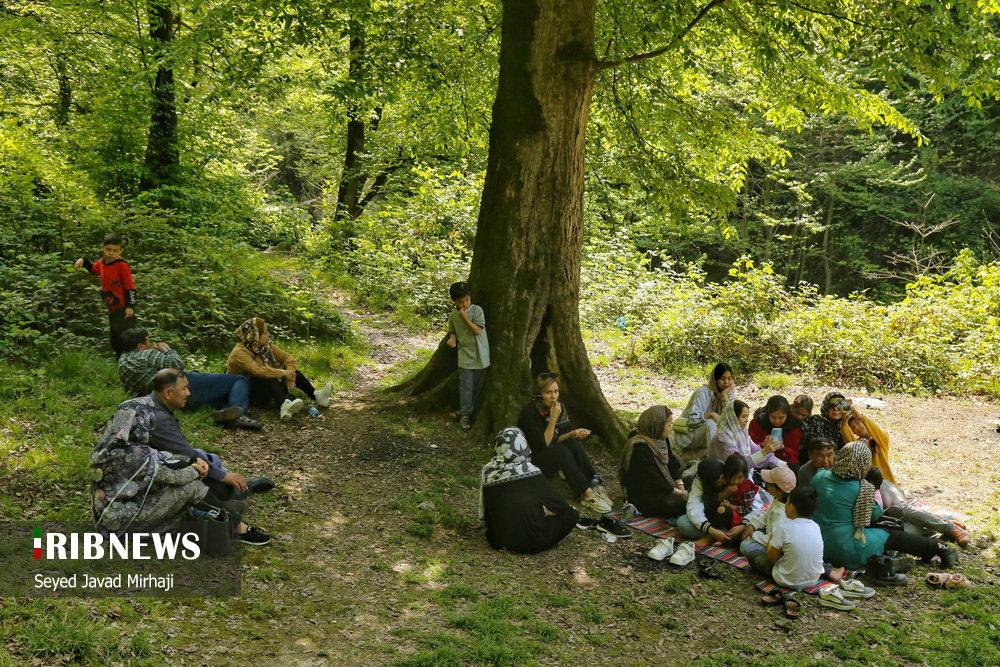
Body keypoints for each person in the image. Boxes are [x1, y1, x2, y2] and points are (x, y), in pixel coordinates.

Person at [90, 394, 270, 545]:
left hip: (110, 518)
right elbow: (172, 477)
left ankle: (214, 516)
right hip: (124, 527)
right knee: (192, 488)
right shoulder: (134, 455)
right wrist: (196, 470)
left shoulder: (107, 448)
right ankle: (237, 528)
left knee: (183, 497)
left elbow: (159, 457)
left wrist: (190, 460)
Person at [809, 442, 958, 584]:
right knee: (891, 535)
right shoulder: (862, 489)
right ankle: (940, 548)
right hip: (846, 551)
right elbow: (876, 516)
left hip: (817, 549)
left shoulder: (819, 477)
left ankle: (886, 557)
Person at [148, 369, 275, 510]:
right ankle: (243, 488)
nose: (188, 393)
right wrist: (223, 477)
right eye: (184, 388)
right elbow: (184, 454)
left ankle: (233, 483)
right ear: (168, 393)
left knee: (208, 459)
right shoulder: (157, 418)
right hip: (151, 481)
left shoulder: (152, 406)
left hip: (159, 468)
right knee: (220, 487)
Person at [118, 328, 261, 430]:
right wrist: (166, 349)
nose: (150, 344)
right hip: (182, 385)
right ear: (140, 346)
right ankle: (238, 414)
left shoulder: (122, 363)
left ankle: (226, 412)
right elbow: (178, 365)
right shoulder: (145, 354)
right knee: (238, 380)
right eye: (148, 342)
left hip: (169, 397)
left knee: (225, 395)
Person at [517, 374, 612, 515]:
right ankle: (587, 494)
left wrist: (573, 433)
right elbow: (543, 444)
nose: (553, 396)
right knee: (560, 451)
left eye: (556, 391)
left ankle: (594, 484)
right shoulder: (530, 412)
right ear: (540, 394)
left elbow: (557, 437)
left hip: (548, 453)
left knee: (570, 442)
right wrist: (553, 419)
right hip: (531, 462)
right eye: (548, 392)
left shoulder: (558, 405)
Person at [479, 428, 580, 554]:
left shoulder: (489, 473)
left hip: (498, 540)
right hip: (533, 542)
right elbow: (561, 506)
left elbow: (487, 513)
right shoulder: (532, 473)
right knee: (573, 514)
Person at [227, 317, 333, 420]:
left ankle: (316, 396)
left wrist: (290, 377)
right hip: (245, 393)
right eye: (265, 333)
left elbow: (288, 358)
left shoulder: (264, 348)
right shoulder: (240, 352)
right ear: (254, 336)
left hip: (263, 388)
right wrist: (284, 373)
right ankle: (283, 404)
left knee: (289, 371)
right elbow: (258, 371)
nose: (269, 335)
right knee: (268, 374)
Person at [72, 232, 137, 359]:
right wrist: (82, 260)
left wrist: (130, 306)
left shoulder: (122, 266)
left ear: (121, 251)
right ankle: (121, 366)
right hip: (112, 309)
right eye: (108, 250)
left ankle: (133, 366)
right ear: (102, 248)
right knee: (115, 340)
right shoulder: (102, 264)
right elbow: (93, 268)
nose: (111, 253)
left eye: (115, 250)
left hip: (124, 308)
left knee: (128, 340)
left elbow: (130, 288)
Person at [619, 405, 687, 520]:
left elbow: (672, 462)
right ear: (658, 426)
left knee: (694, 481)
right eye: (669, 425)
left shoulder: (661, 439)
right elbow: (654, 480)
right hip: (645, 495)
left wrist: (681, 487)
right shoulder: (640, 448)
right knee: (677, 504)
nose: (671, 429)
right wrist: (680, 494)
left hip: (665, 485)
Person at [678, 455, 761, 544]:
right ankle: (727, 537)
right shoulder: (701, 479)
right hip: (713, 516)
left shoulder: (736, 472)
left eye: (724, 478)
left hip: (735, 517)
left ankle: (722, 537)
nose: (725, 482)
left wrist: (743, 526)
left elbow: (755, 506)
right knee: (682, 523)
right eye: (719, 482)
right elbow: (694, 505)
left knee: (753, 525)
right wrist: (712, 530)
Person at [445, 282, 490, 431]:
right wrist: (453, 339)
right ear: (454, 302)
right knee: (466, 387)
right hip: (464, 356)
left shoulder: (477, 311)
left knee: (477, 387)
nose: (464, 303)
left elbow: (477, 330)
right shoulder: (453, 315)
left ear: (470, 296)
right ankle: (465, 415)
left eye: (466, 300)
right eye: (460, 302)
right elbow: (453, 331)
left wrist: (465, 318)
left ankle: (471, 412)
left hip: (480, 355)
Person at [674, 363, 735, 455]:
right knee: (710, 423)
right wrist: (710, 415)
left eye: (729, 379)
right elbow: (690, 419)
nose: (726, 382)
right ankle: (715, 459)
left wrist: (724, 397)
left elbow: (732, 420)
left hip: (711, 436)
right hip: (691, 435)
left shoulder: (728, 392)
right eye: (722, 379)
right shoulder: (703, 392)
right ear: (715, 379)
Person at [741, 466, 796, 563]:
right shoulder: (778, 500)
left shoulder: (782, 513)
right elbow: (766, 515)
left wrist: (754, 536)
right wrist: (753, 525)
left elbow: (775, 539)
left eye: (769, 484)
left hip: (776, 545)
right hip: (770, 535)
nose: (766, 486)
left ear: (779, 491)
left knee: (745, 547)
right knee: (747, 530)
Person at [709, 400, 782, 471]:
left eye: (747, 416)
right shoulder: (722, 438)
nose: (747, 420)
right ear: (733, 418)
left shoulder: (742, 433)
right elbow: (739, 465)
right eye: (744, 417)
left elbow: (755, 450)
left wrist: (782, 464)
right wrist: (764, 452)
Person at [844, 407, 896, 485]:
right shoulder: (857, 444)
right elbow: (848, 440)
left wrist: (861, 417)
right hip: (868, 486)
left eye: (858, 422)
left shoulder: (880, 441)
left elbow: (876, 431)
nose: (857, 428)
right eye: (853, 427)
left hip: (886, 483)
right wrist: (844, 424)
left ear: (863, 422)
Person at [749, 396, 804, 466]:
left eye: (781, 417)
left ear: (787, 415)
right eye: (773, 417)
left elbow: (794, 454)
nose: (777, 421)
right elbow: (750, 448)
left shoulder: (793, 427)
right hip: (761, 461)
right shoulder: (757, 423)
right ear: (768, 414)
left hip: (785, 462)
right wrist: (763, 445)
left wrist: (783, 448)